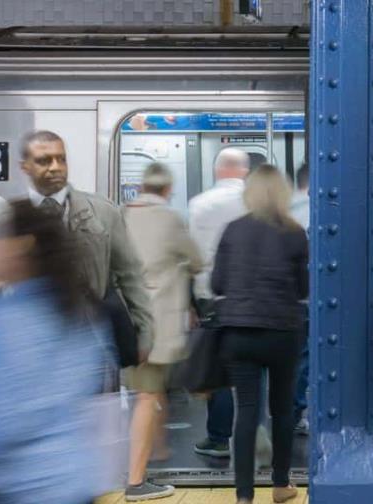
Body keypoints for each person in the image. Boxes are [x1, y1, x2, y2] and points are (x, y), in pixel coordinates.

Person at [0, 201, 106, 503]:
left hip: (23, 487)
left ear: (21, 246)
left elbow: (5, 422)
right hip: (77, 478)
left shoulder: (8, 320)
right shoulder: (79, 309)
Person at [19, 130, 152, 375]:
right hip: (29, 346)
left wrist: (144, 334)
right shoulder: (9, 218)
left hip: (94, 339)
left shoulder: (101, 212)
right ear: (25, 166)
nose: (55, 167)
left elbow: (130, 274)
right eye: (44, 160)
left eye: (61, 159)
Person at [212, 164, 307, 504]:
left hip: (239, 333)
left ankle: (244, 495)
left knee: (246, 411)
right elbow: (303, 288)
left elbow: (217, 284)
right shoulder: (295, 232)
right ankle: (281, 484)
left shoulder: (232, 230)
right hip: (282, 332)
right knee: (281, 410)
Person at [122, 164, 204, 501]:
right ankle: (136, 479)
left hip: (128, 321)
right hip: (156, 323)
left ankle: (157, 451)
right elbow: (196, 260)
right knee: (147, 396)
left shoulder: (122, 214)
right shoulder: (169, 219)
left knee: (150, 392)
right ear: (168, 188)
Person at [188, 147, 249, 459]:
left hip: (212, 298)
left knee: (221, 370)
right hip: (252, 299)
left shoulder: (199, 204)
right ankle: (254, 437)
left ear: (218, 170)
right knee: (255, 369)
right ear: (244, 171)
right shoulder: (254, 204)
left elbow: (192, 257)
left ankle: (219, 438)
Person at [290, 162, 310, 436]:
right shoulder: (315, 210)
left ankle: (291, 412)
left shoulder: (284, 210)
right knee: (305, 358)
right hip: (308, 298)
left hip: (285, 300)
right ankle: (297, 410)